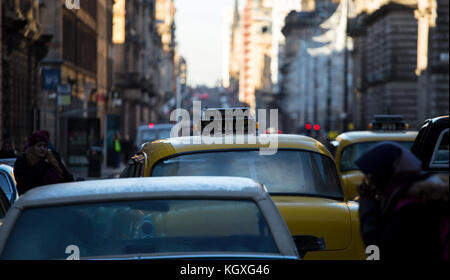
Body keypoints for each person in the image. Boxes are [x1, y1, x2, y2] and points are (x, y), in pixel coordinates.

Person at [355, 141, 448, 260]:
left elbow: (376, 247)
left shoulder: (411, 207)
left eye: (372, 177)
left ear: (385, 176)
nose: (370, 182)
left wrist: (368, 204)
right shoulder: (412, 196)